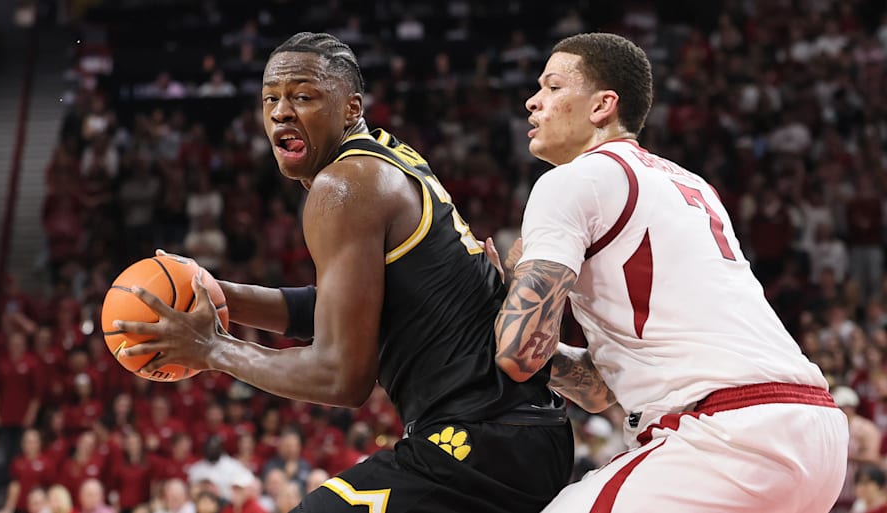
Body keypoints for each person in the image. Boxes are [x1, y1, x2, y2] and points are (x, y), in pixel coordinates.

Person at [115, 32, 572, 512]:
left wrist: (213, 348)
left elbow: (341, 377)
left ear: (352, 108)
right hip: (518, 433)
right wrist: (219, 294)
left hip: (482, 440)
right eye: (271, 98)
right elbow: (346, 307)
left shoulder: (343, 186)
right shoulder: (383, 159)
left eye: (303, 97)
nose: (280, 112)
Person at [489, 32, 848, 512]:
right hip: (814, 431)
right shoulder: (690, 184)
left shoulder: (572, 181)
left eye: (553, 87)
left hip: (725, 435)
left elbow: (518, 355)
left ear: (602, 106)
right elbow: (598, 390)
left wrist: (497, 304)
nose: (533, 101)